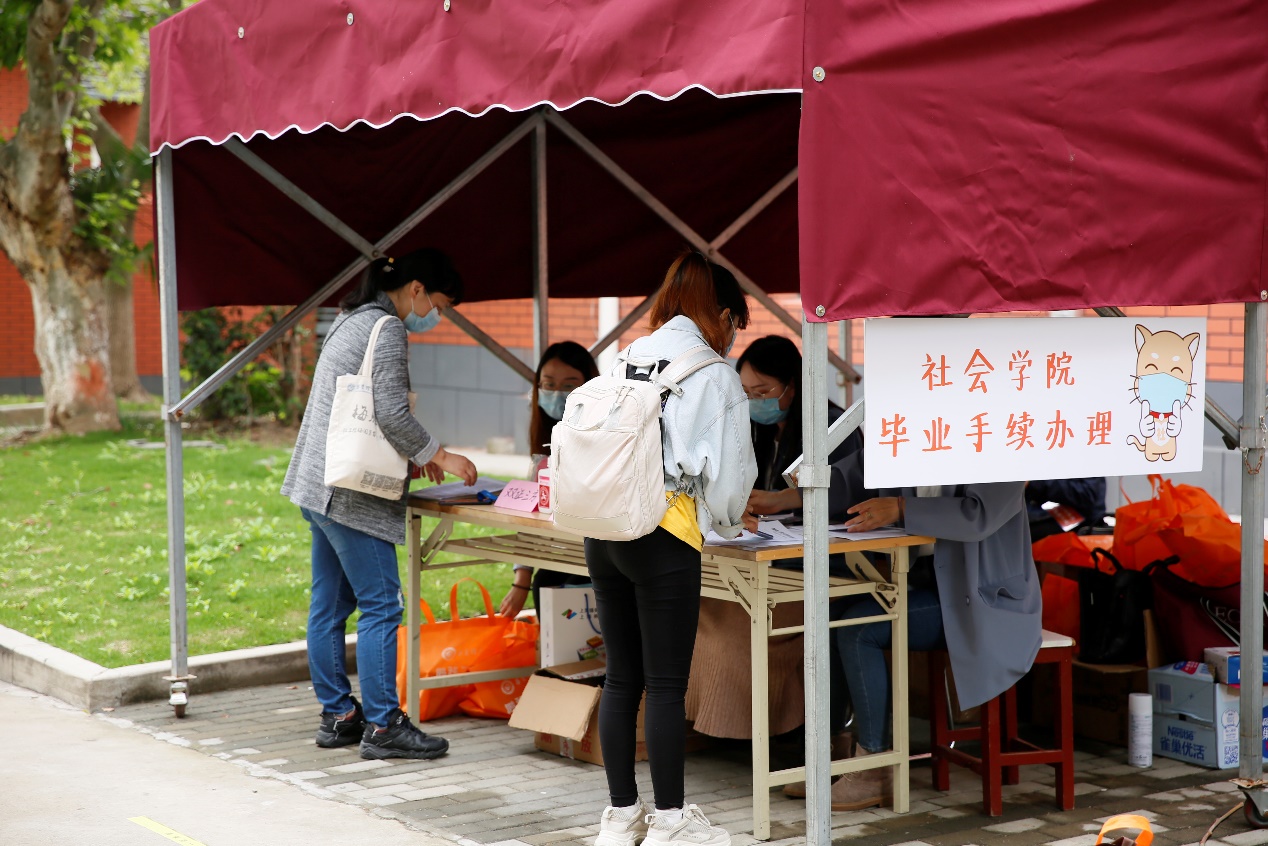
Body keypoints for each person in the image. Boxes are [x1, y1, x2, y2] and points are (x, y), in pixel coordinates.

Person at [588, 251, 757, 846]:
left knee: (620, 679)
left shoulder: (624, 358)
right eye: (735, 325)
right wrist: (728, 522)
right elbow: (731, 480)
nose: (732, 338)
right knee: (665, 685)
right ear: (722, 315)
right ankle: (670, 822)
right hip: (665, 533)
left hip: (605, 528)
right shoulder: (713, 374)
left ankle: (620, 818)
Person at [281, 249, 478, 761]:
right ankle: (384, 725)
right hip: (352, 496)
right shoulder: (387, 329)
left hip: (318, 483)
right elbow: (389, 413)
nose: (435, 315)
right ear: (416, 289)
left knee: (329, 606)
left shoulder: (349, 319)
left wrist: (416, 455)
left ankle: (339, 715)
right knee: (382, 604)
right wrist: (439, 454)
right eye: (439, 304)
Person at [821, 448, 1041, 811]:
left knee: (858, 630)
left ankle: (874, 766)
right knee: (834, 613)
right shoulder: (918, 434)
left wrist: (902, 508)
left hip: (986, 601)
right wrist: (786, 497)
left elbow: (978, 516)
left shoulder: (1001, 439)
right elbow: (856, 473)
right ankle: (833, 753)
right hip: (934, 588)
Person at [685, 337, 860, 764]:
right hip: (767, 564)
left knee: (734, 628)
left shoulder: (834, 429)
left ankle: (768, 729)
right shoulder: (757, 431)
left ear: (793, 386)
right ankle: (714, 724)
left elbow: (854, 493)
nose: (754, 402)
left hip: (824, 570)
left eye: (763, 392)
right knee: (701, 610)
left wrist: (786, 500)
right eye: (745, 393)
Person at [499, 341, 601, 618]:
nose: (557, 394)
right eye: (549, 384)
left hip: (600, 554)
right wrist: (521, 577)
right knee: (545, 579)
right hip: (564, 553)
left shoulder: (603, 436)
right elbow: (530, 510)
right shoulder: (543, 443)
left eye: (569, 385)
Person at [1026, 477, 1108, 540]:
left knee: (1026, 533)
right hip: (1040, 511)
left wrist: (1034, 483)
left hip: (1080, 519)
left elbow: (1088, 493)